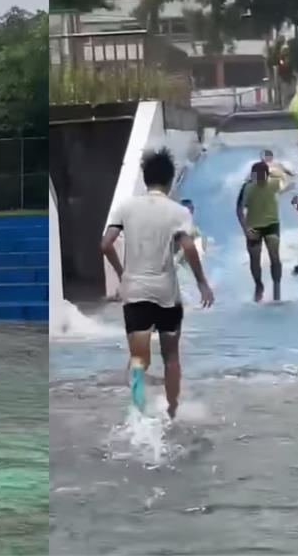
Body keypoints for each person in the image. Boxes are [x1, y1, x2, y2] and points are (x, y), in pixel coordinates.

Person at [101, 148, 214, 420]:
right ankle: (172, 412)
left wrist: (122, 272)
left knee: (138, 359)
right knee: (171, 358)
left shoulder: (126, 207)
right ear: (170, 179)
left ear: (145, 177)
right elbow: (188, 248)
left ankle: (138, 414)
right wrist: (202, 283)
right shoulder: (178, 212)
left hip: (135, 293)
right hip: (167, 295)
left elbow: (105, 244)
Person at [237, 161, 284, 302]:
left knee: (274, 256)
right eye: (256, 176)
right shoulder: (247, 188)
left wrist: (275, 169)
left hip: (272, 224)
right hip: (253, 226)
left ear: (267, 175)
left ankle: (277, 289)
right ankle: (258, 285)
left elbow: (287, 178)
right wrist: (246, 230)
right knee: (255, 259)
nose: (259, 179)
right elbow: (239, 210)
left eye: (261, 176)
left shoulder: (274, 183)